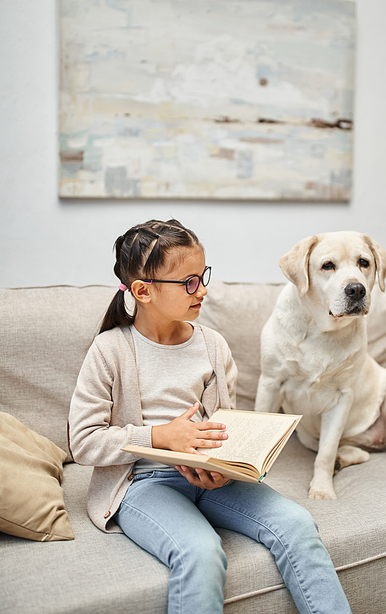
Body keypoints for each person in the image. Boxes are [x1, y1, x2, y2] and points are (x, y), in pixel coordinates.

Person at [69, 218, 351, 614]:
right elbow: (82, 442)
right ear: (142, 291)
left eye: (203, 276)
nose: (201, 290)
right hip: (142, 483)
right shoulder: (110, 350)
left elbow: (226, 423)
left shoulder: (213, 346)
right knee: (201, 552)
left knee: (298, 524)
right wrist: (161, 436)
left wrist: (226, 466)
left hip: (211, 478)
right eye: (187, 282)